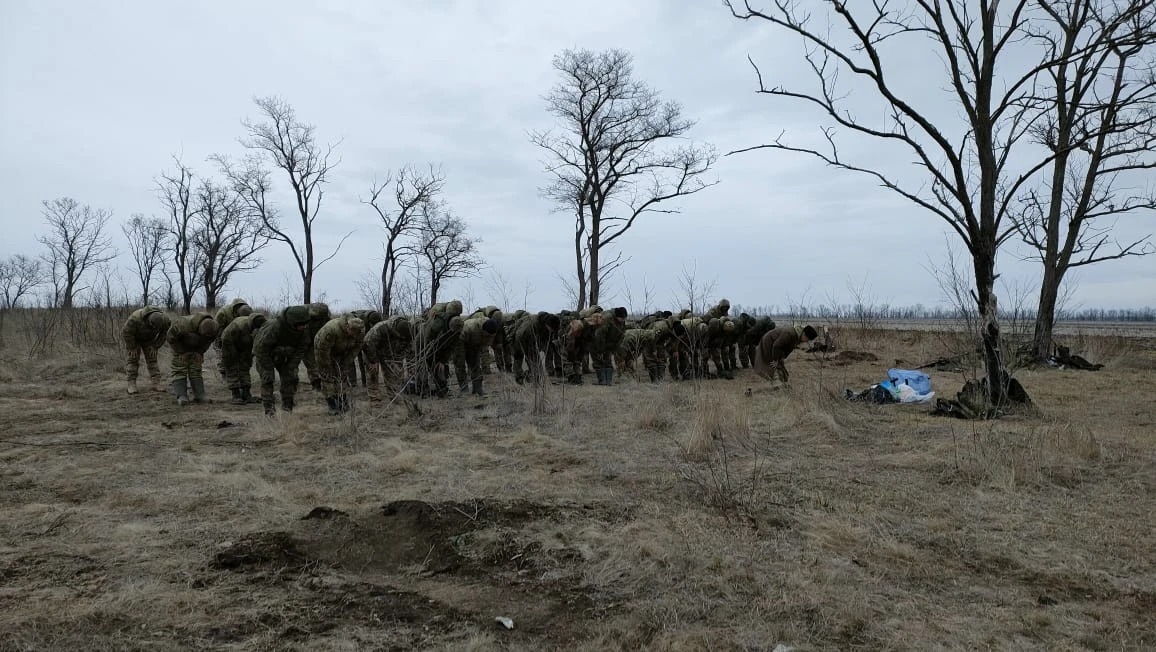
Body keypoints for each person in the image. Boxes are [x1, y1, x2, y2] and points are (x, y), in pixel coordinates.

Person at [253, 306, 313, 417]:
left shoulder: (304, 330)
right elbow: (260, 349)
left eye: (305, 324)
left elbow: (301, 348)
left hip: (286, 357)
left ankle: (287, 408)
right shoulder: (274, 328)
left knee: (291, 378)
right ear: (292, 322)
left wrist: (292, 365)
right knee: (267, 379)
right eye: (301, 324)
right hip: (266, 356)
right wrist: (267, 368)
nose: (304, 327)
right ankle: (269, 411)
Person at [314, 315, 366, 416]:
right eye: (353, 332)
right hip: (323, 348)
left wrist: (346, 362)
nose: (355, 335)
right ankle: (332, 405)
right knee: (328, 375)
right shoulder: (331, 330)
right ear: (347, 327)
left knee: (342, 375)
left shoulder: (360, 331)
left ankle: (342, 401)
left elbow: (356, 348)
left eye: (357, 333)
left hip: (342, 350)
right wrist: (327, 366)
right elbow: (323, 351)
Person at [166, 313, 219, 405]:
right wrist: (181, 352)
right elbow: (171, 338)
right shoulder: (182, 324)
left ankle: (199, 395)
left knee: (196, 369)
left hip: (197, 348)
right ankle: (182, 396)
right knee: (179, 369)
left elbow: (208, 341)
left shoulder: (213, 327)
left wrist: (200, 352)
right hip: (180, 345)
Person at [362, 315, 415, 400]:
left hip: (390, 354)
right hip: (372, 351)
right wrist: (373, 361)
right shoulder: (380, 328)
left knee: (394, 373)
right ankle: (374, 396)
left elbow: (408, 348)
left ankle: (394, 394)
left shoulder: (408, 331)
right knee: (373, 372)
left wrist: (398, 360)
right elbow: (367, 344)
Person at [219, 313, 268, 405]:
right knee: (232, 367)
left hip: (246, 345)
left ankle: (246, 394)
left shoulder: (262, 326)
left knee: (245, 367)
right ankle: (236, 394)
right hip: (229, 343)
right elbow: (226, 339)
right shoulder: (237, 326)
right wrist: (231, 355)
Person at [122, 305, 170, 394]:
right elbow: (126, 332)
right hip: (134, 339)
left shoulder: (165, 320)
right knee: (133, 359)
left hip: (149, 340)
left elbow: (164, 334)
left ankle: (156, 383)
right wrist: (132, 347)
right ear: (147, 320)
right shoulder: (135, 318)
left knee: (152, 359)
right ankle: (131, 384)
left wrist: (156, 346)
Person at [213, 298, 253, 379]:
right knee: (223, 355)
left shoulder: (248, 312)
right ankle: (224, 373)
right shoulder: (223, 312)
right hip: (222, 335)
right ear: (236, 312)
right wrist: (221, 340)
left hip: (238, 335)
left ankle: (239, 373)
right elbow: (217, 327)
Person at [300, 302, 332, 391]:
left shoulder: (325, 318)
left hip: (319, 340)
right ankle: (316, 383)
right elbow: (304, 334)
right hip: (306, 342)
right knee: (310, 363)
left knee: (323, 361)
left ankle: (324, 381)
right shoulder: (305, 318)